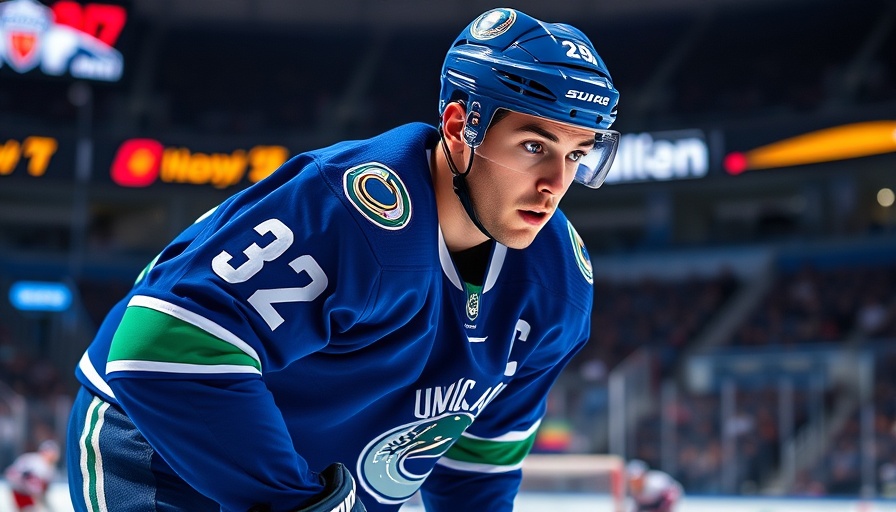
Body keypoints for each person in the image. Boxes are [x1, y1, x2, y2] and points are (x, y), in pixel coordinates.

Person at [65, 7, 620, 512]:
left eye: (577, 155)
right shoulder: (347, 216)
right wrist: (296, 504)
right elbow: (158, 352)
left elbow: (478, 465)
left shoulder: (558, 287)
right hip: (166, 460)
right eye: (534, 146)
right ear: (458, 126)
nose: (556, 184)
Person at [4, 440, 60, 512]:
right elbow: (11, 474)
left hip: (25, 492)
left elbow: (42, 490)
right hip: (21, 492)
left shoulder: (50, 469)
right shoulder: (35, 462)